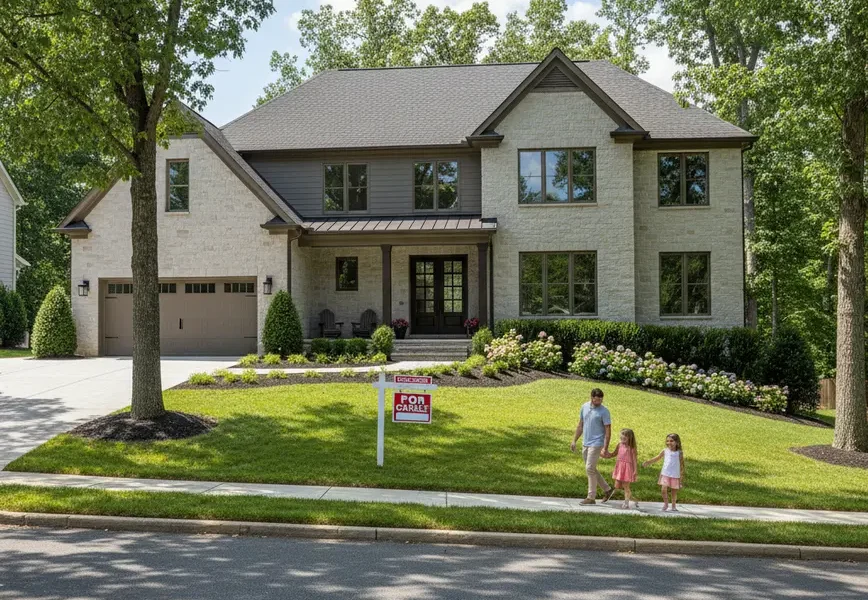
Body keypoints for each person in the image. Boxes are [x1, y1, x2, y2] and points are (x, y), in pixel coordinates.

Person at [569, 388, 615, 504]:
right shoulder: (584, 407)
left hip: (597, 443)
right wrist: (574, 440)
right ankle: (608, 489)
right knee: (592, 469)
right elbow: (580, 425)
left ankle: (591, 497)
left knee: (589, 468)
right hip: (586, 442)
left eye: (601, 399)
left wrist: (605, 447)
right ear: (592, 397)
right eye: (597, 399)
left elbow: (608, 430)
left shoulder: (604, 411)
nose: (599, 402)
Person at [643, 433, 685, 512]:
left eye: (671, 441)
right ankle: (666, 503)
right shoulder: (665, 451)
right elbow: (657, 458)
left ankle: (673, 505)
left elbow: (682, 465)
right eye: (667, 441)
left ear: (677, 442)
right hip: (665, 474)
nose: (669, 443)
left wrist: (681, 477)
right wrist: (648, 462)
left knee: (674, 492)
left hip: (675, 475)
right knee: (663, 490)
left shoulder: (679, 453)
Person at [605, 428, 639, 509]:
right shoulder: (619, 445)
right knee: (618, 486)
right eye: (621, 437)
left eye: (625, 437)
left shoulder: (632, 448)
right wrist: (605, 454)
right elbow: (614, 454)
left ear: (630, 438)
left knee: (626, 486)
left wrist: (635, 471)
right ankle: (634, 500)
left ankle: (626, 503)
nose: (622, 438)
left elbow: (634, 460)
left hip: (627, 469)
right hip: (619, 468)